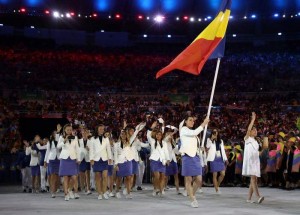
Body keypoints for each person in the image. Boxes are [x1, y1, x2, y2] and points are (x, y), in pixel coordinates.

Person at [179, 116, 209, 208]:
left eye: (193, 120)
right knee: (189, 179)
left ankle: (192, 194)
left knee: (199, 179)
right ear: (185, 122)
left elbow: (194, 145)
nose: (192, 122)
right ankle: (193, 199)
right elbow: (195, 132)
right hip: (187, 157)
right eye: (190, 120)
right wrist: (204, 123)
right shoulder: (183, 129)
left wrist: (201, 149)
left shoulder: (195, 135)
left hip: (196, 157)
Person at [242, 112, 264, 204]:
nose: (255, 131)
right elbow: (248, 128)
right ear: (250, 132)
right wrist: (253, 119)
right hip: (250, 162)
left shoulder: (256, 141)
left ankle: (249, 198)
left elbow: (258, 153)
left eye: (256, 130)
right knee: (253, 178)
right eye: (253, 130)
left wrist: (264, 149)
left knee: (254, 180)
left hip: (256, 162)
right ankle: (258, 196)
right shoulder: (247, 138)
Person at [57, 124, 81, 201]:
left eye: (70, 129)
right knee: (66, 178)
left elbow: (77, 148)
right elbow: (58, 147)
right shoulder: (61, 137)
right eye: (68, 130)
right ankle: (66, 194)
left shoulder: (75, 137)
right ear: (65, 130)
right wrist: (64, 140)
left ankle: (72, 190)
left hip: (73, 159)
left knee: (74, 177)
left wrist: (78, 158)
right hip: (64, 159)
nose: (69, 131)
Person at [89, 124, 113, 200]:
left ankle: (104, 191)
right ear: (97, 130)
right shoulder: (92, 139)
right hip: (96, 159)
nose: (102, 130)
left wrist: (110, 158)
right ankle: (99, 193)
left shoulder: (106, 139)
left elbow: (108, 149)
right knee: (98, 177)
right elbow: (91, 150)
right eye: (100, 129)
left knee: (105, 176)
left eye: (103, 129)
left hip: (104, 159)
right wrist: (91, 159)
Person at [206, 129, 228, 194]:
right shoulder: (209, 140)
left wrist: (226, 159)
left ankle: (217, 186)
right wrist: (212, 139)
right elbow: (207, 147)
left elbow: (223, 151)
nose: (215, 133)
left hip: (220, 158)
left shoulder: (221, 141)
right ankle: (217, 190)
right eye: (213, 132)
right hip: (213, 158)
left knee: (223, 174)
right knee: (214, 175)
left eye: (216, 132)